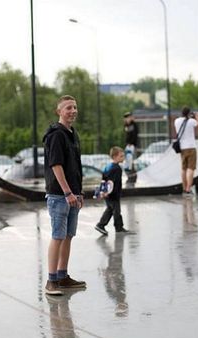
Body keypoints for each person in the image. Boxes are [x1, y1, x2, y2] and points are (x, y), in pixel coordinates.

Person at [43, 95, 87, 295]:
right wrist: (67, 192)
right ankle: (51, 281)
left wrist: (79, 192)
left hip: (73, 195)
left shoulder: (72, 134)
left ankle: (63, 276)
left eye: (75, 107)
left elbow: (75, 166)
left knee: (68, 236)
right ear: (59, 111)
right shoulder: (56, 135)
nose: (73, 111)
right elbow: (56, 165)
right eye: (68, 108)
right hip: (59, 196)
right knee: (58, 236)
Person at [95, 146, 132, 235]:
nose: (123, 158)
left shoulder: (108, 166)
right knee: (116, 211)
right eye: (121, 156)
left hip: (107, 193)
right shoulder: (117, 168)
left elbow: (104, 179)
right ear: (115, 157)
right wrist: (110, 192)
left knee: (110, 209)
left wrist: (103, 191)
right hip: (113, 194)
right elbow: (113, 183)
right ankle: (117, 227)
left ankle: (101, 225)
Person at [174, 107, 198, 195]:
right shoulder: (191, 121)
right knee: (190, 168)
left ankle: (184, 188)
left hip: (182, 148)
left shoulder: (176, 121)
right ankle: (188, 189)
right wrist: (197, 117)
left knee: (184, 168)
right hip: (191, 147)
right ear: (189, 113)